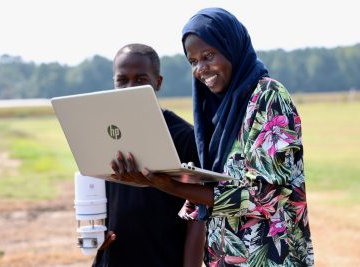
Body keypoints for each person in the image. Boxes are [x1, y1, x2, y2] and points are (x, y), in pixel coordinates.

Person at [111, 8, 315, 267]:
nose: (201, 68)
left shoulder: (267, 97)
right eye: (193, 61)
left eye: (208, 55)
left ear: (232, 47)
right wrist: (186, 189)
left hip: (272, 258)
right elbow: (229, 184)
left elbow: (267, 197)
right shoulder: (219, 112)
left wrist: (169, 186)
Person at [92, 43, 205, 267]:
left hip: (163, 259)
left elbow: (198, 217)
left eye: (141, 79)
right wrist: (92, 237)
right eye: (122, 80)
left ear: (158, 82)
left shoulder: (184, 137)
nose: (130, 87)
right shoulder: (105, 132)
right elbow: (93, 201)